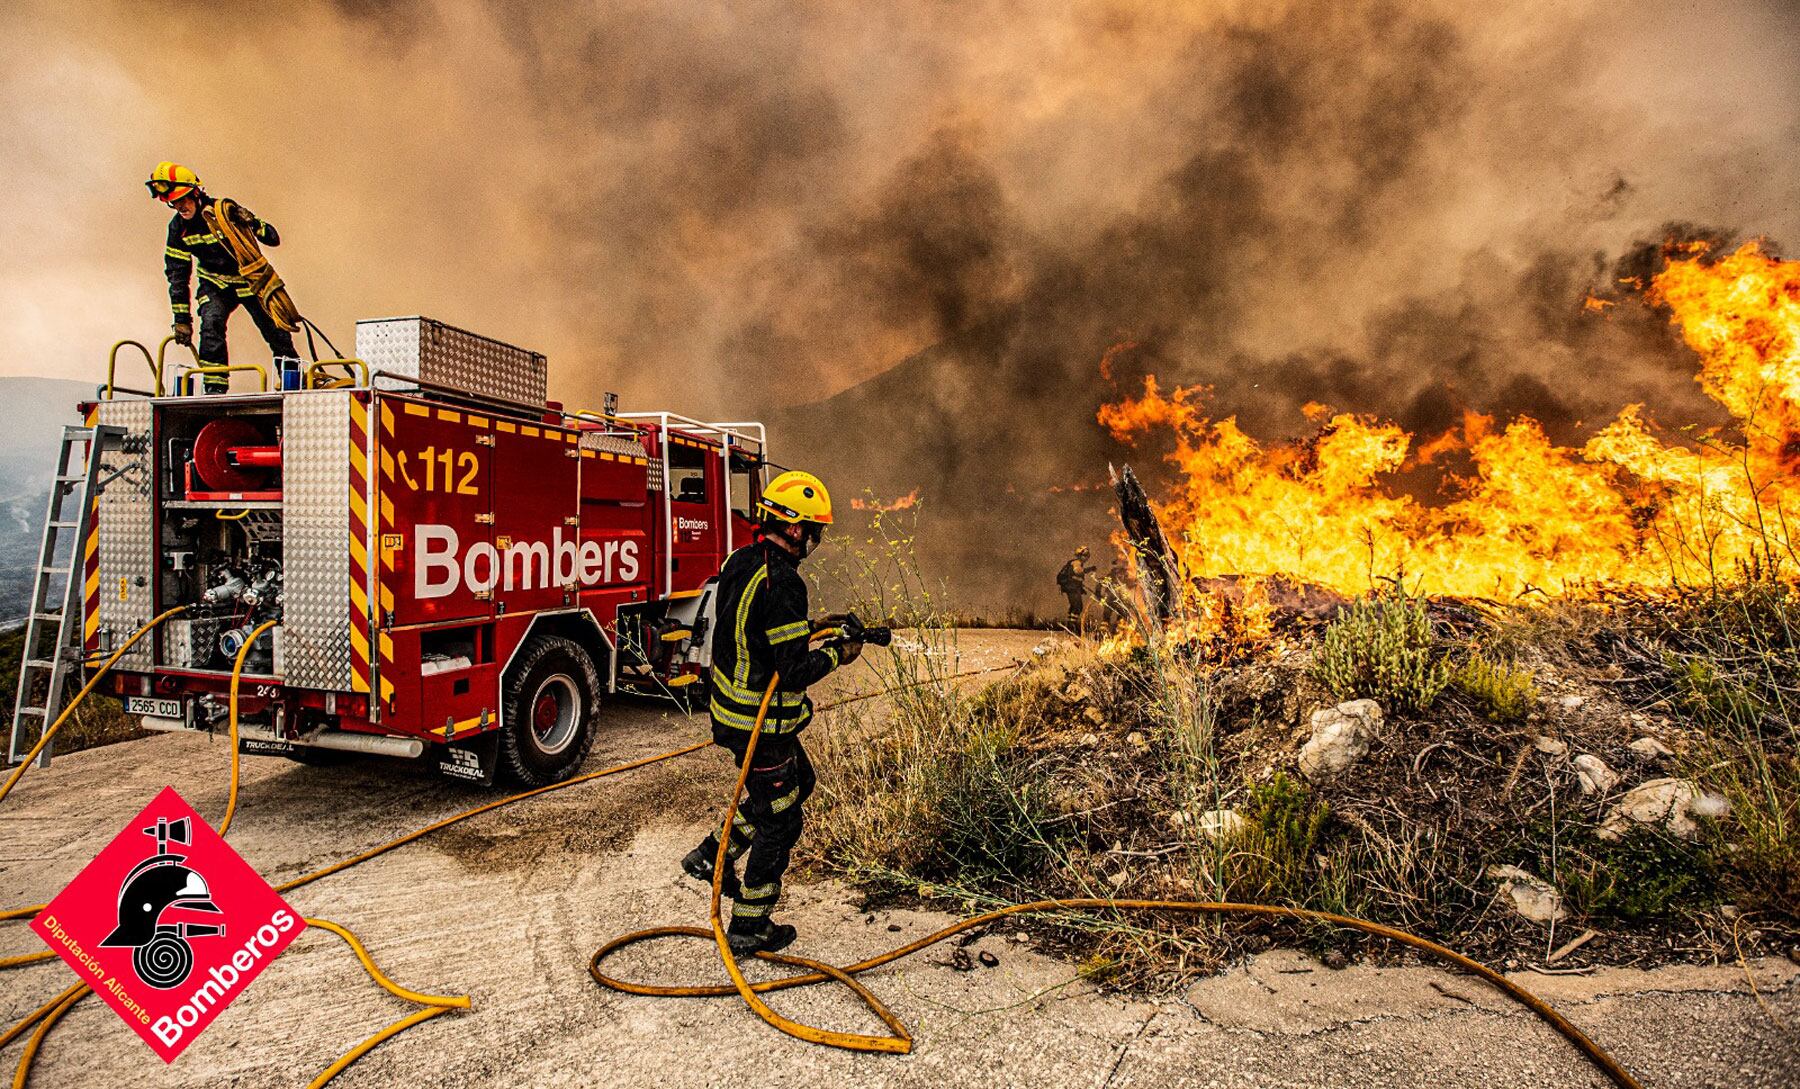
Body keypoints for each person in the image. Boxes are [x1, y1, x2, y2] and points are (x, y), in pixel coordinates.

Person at [680, 469, 863, 954]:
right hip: (759, 726)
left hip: (732, 711)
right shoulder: (784, 582)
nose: (816, 541)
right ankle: (749, 925)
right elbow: (794, 668)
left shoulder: (744, 560)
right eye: (815, 531)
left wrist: (815, 625)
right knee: (781, 821)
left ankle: (711, 856)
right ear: (798, 529)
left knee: (801, 782)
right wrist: (838, 654)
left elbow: (762, 628)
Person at [147, 162, 297, 392]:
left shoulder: (224, 212)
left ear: (196, 193)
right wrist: (182, 321)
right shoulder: (178, 229)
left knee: (277, 333)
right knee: (211, 324)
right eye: (175, 203)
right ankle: (214, 388)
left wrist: (252, 222)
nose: (180, 207)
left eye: (184, 199)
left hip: (251, 281)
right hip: (214, 283)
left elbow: (273, 238)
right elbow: (177, 275)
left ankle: (293, 383)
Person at [1057, 546, 1092, 628]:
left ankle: (1071, 624)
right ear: (1079, 555)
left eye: (1087, 555)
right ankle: (1072, 625)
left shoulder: (1074, 563)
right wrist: (1089, 569)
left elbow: (1075, 577)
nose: (1086, 558)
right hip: (1072, 588)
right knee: (1077, 606)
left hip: (1072, 588)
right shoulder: (1076, 562)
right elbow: (1078, 571)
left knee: (1074, 605)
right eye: (1085, 555)